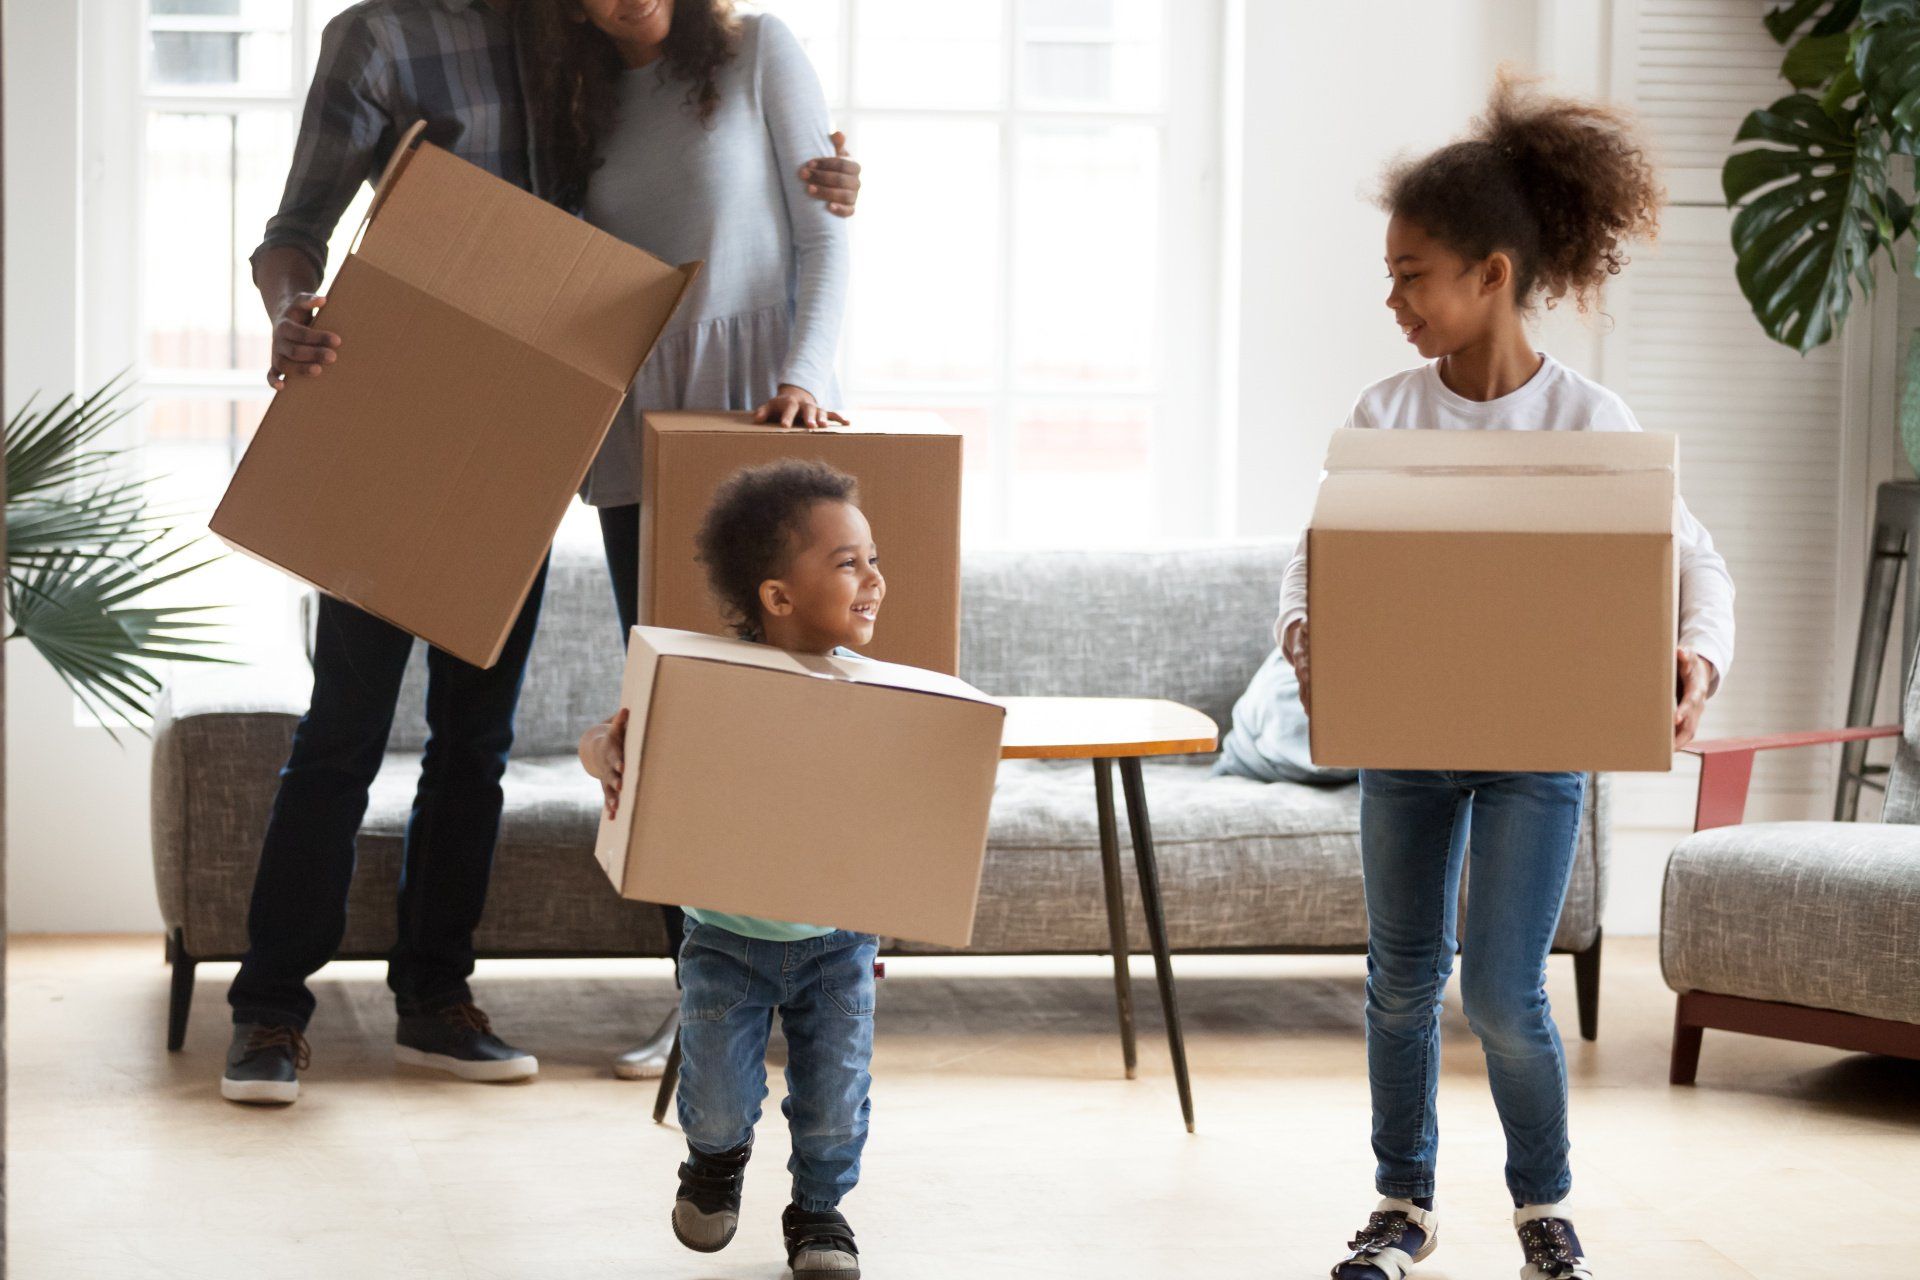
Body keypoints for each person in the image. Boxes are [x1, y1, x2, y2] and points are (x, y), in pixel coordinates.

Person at [222, 0, 862, 1107]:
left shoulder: (576, 36)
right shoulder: (376, 36)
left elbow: (716, 180)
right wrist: (291, 308)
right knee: (346, 728)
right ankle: (269, 1010)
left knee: (476, 739)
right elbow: (292, 229)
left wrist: (834, 180)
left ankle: (435, 998)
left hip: (534, 434)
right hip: (402, 412)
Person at [1276, 74, 1735, 1279]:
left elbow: (1696, 565)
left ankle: (1541, 1206)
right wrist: (1304, 627)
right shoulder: (1386, 415)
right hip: (1407, 747)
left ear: (1492, 272)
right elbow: (1310, 563)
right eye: (1390, 274)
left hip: (1539, 755)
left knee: (1501, 992)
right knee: (1397, 984)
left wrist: (1695, 654)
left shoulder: (1588, 419)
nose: (1394, 300)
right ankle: (1402, 1204)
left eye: (1412, 272)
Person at [519, 0, 852, 1079]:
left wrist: (805, 375)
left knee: (792, 720)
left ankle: (814, 997)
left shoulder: (760, 52)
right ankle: (708, 998)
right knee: (675, 723)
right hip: (640, 434)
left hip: (761, 419)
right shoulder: (574, 94)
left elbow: (823, 228)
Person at [580, 461, 882, 1280]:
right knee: (714, 1097)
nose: (874, 580)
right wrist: (606, 751)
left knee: (834, 1101)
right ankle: (714, 1162)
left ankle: (819, 1213)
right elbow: (606, 741)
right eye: (849, 562)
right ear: (778, 597)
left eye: (873, 559)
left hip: (839, 941)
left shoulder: (880, 698)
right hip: (725, 940)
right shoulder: (707, 683)